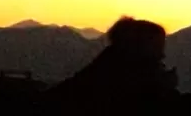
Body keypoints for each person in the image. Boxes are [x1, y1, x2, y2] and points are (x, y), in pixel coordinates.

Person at [50, 16, 178, 105]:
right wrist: (165, 88)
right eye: (157, 47)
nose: (162, 55)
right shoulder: (127, 75)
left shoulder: (106, 65)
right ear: (140, 45)